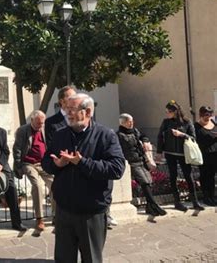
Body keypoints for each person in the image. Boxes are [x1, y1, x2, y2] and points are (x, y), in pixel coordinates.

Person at [42, 93, 125, 263]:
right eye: (66, 109)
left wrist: (82, 162)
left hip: (91, 213)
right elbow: (45, 162)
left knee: (91, 259)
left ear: (87, 112)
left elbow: (117, 169)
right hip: (64, 211)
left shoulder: (106, 135)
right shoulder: (60, 135)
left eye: (72, 109)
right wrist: (57, 165)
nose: (68, 113)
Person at [156, 100, 204, 211]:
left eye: (168, 111)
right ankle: (177, 202)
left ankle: (195, 202)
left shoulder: (187, 122)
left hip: (184, 154)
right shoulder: (166, 122)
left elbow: (193, 138)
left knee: (189, 177)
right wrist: (159, 152)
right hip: (170, 153)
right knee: (173, 177)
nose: (167, 113)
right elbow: (160, 136)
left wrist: (182, 134)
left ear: (175, 112)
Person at [116, 113, 167, 217]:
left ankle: (150, 206)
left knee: (149, 181)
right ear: (123, 123)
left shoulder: (135, 131)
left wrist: (145, 141)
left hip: (141, 159)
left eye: (132, 121)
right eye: (129, 121)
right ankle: (153, 205)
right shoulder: (119, 135)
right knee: (144, 182)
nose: (131, 123)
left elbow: (143, 136)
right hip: (132, 162)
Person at [0, 109, 26, 232]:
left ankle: (17, 223)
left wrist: (0, 164)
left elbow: (5, 151)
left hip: (3, 167)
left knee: (12, 190)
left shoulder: (1, 132)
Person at [12, 110, 54, 231]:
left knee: (55, 184)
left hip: (44, 163)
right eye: (38, 124)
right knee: (37, 185)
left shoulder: (45, 130)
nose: (40, 126)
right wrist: (18, 166)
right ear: (31, 121)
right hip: (28, 163)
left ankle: (56, 215)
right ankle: (39, 218)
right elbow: (17, 149)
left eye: (42, 123)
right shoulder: (23, 130)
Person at [194, 106, 217, 206]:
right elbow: (195, 140)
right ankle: (206, 197)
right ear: (201, 115)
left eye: (210, 114)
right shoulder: (196, 126)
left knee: (212, 176)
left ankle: (212, 196)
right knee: (205, 176)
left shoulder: (214, 123)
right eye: (206, 115)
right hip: (204, 154)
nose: (208, 117)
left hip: (215, 154)